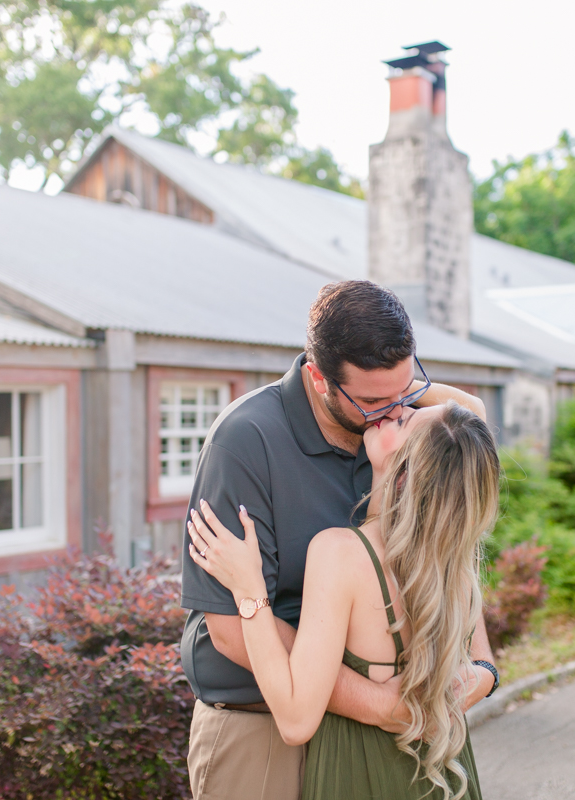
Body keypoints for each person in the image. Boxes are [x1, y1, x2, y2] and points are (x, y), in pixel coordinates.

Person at [179, 280, 497, 800]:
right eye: (376, 400)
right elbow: (231, 631)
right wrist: (389, 707)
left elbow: (470, 416)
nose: (398, 410)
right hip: (262, 728)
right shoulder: (245, 441)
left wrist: (471, 675)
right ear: (318, 378)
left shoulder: (397, 431)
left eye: (409, 391)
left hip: (377, 733)